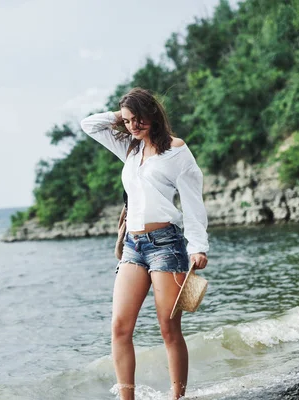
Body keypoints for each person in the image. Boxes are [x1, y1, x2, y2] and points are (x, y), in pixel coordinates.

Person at [80, 87, 209, 400]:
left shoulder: (176, 151)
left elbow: (193, 202)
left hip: (167, 245)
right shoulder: (129, 147)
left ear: (153, 114)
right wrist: (121, 112)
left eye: (139, 119)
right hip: (134, 247)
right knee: (120, 329)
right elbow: (89, 124)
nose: (133, 126)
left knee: (168, 328)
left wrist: (198, 246)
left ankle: (178, 396)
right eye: (127, 121)